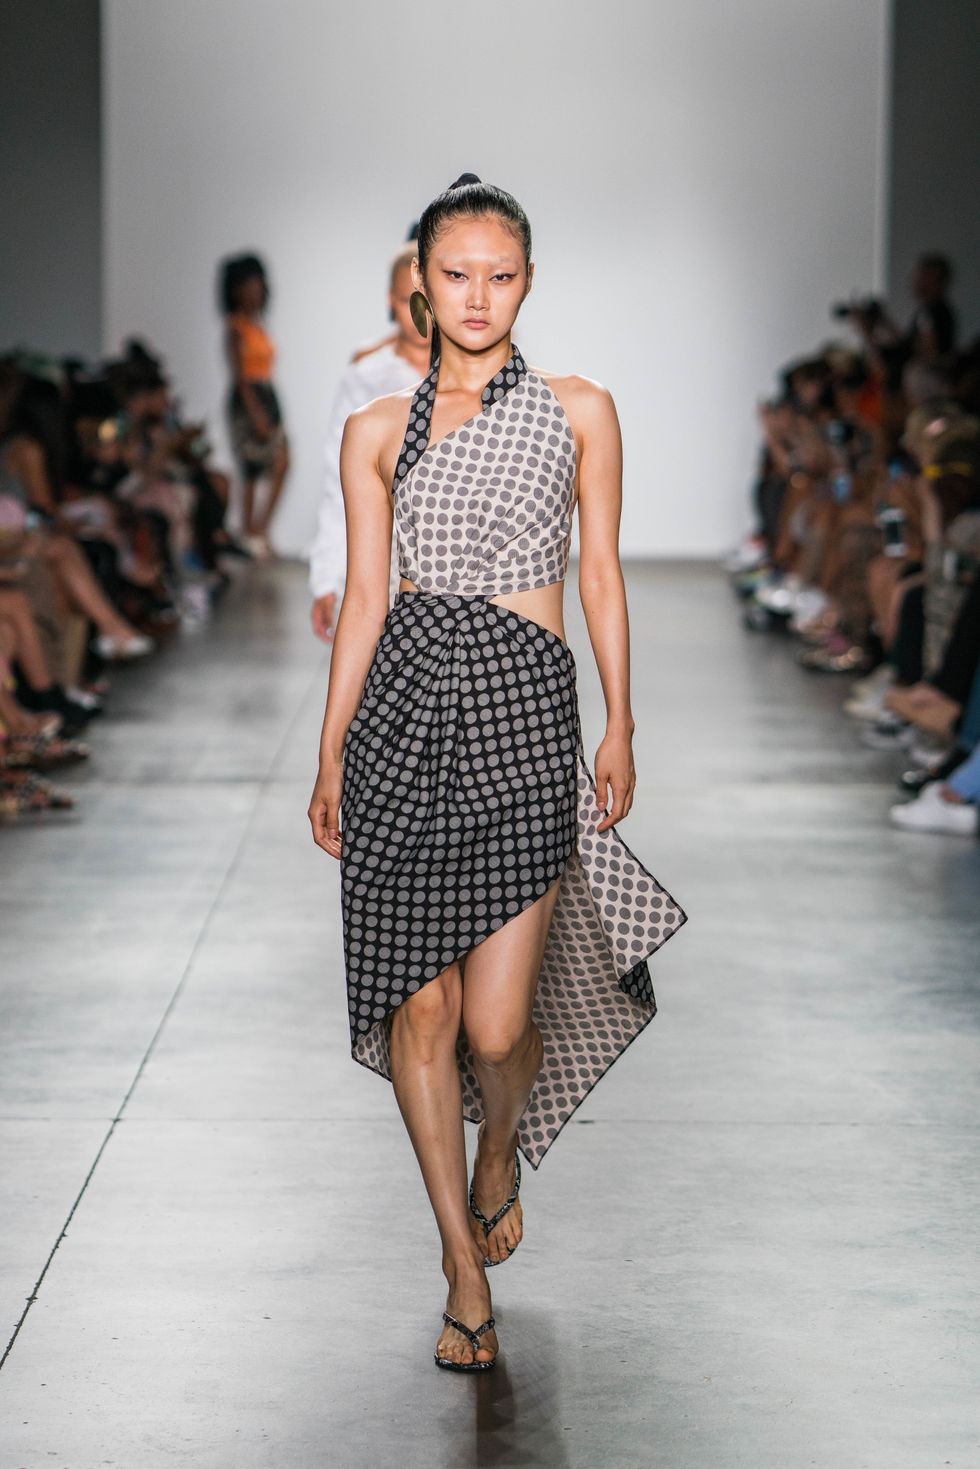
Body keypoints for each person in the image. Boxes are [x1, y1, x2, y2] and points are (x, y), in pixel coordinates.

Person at [307, 175, 687, 1374]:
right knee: (418, 1005)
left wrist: (619, 721)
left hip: (524, 712)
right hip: (403, 718)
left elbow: (600, 573)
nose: (476, 295)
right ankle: (460, 1270)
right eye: (454, 273)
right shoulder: (375, 429)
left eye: (500, 274)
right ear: (420, 282)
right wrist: (330, 747)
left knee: (496, 1021)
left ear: (528, 280)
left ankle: (497, 1143)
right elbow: (365, 599)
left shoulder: (580, 409)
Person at [308, 243, 429, 642]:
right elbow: (337, 479)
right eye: (407, 300)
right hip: (381, 550)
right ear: (390, 301)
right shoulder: (366, 377)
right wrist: (326, 577)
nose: (419, 312)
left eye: (428, 300)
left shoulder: (474, 376)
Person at [219, 254, 289, 558]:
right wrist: (255, 412)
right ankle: (250, 533)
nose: (255, 290)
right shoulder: (235, 328)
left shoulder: (257, 325)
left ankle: (258, 530)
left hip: (267, 394)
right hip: (249, 398)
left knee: (280, 461)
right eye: (248, 284)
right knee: (251, 467)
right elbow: (240, 376)